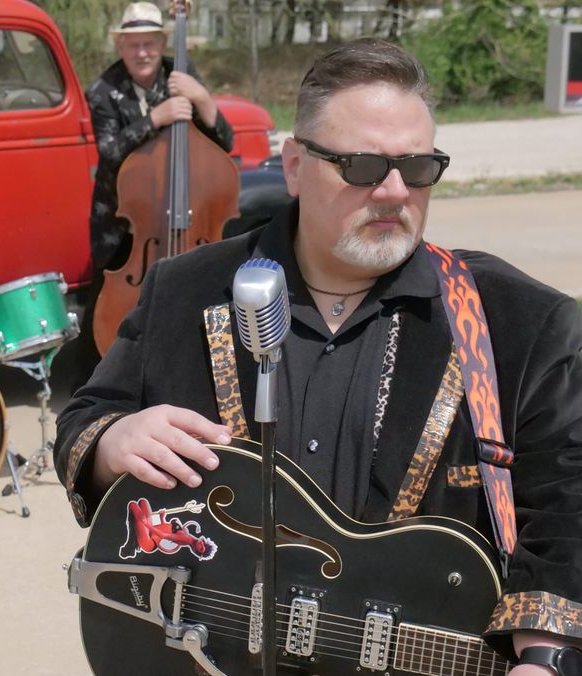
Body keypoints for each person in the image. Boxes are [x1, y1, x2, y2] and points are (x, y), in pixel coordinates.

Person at [55, 38, 581, 672]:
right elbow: (90, 414)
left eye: (417, 168)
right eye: (361, 166)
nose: (393, 191)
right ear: (296, 165)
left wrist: (545, 654)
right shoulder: (186, 290)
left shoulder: (519, 318)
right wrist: (112, 442)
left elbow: (567, 493)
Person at [72, 1, 236, 391]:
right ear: (121, 48)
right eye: (134, 45)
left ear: (163, 43)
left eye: (150, 43)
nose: (142, 52)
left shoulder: (180, 75)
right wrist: (155, 119)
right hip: (126, 225)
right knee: (108, 312)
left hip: (186, 216)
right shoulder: (103, 91)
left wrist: (203, 100)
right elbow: (110, 152)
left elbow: (223, 142)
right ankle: (103, 387)